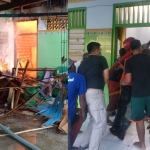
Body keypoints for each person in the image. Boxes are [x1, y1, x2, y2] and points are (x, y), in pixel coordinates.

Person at [77, 42, 109, 150]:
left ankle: (84, 144)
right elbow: (106, 77)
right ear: (96, 50)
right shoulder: (101, 59)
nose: (100, 51)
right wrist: (101, 85)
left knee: (93, 120)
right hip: (96, 93)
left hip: (86, 94)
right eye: (99, 49)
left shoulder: (82, 64)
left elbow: (80, 81)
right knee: (99, 123)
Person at [125, 40, 150, 150]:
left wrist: (122, 82)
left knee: (139, 120)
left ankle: (142, 145)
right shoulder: (149, 58)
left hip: (137, 94)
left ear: (130, 50)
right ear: (140, 47)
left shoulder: (129, 61)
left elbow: (128, 80)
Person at [109, 37, 135, 140]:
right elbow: (129, 73)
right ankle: (120, 130)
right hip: (128, 85)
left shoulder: (127, 57)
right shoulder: (130, 58)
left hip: (126, 85)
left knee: (123, 107)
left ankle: (116, 126)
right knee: (126, 108)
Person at [68, 58, 87, 150]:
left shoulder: (60, 76)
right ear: (72, 66)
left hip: (59, 110)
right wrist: (83, 112)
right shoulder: (79, 77)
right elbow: (82, 98)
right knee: (77, 120)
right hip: (69, 114)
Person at [107, 48, 126, 126]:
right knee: (113, 101)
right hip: (114, 83)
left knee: (116, 101)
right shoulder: (124, 61)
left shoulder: (117, 59)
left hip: (113, 82)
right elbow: (126, 71)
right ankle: (106, 120)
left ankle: (119, 119)